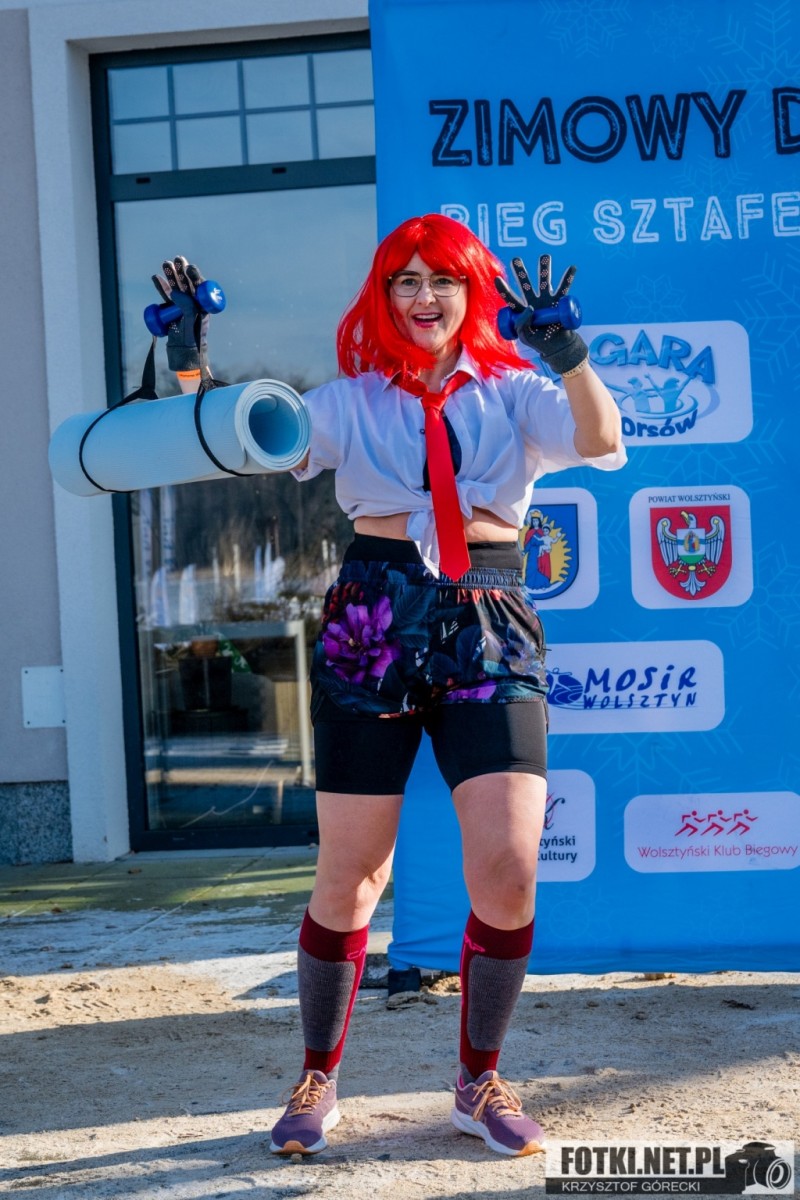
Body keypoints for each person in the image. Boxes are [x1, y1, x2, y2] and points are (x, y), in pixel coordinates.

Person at [155, 215, 625, 1159]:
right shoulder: (349, 401)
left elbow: (601, 437)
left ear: (472, 292)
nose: (424, 297)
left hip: (488, 619)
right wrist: (192, 365)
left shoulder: (517, 391)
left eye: (442, 279)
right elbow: (244, 446)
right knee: (352, 876)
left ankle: (478, 1080)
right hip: (373, 618)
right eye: (404, 280)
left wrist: (569, 356)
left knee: (509, 869)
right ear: (383, 296)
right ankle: (317, 1076)